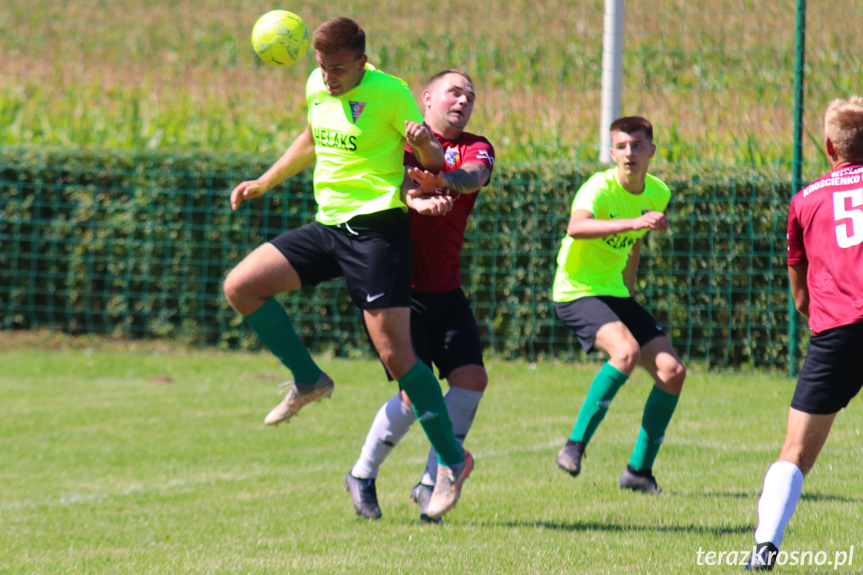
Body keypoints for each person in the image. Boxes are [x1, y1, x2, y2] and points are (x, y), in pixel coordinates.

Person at [223, 17, 471, 520]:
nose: (328, 77)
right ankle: (308, 379)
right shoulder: (318, 83)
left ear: (362, 61)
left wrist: (423, 141)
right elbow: (313, 139)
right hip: (328, 228)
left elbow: (436, 158)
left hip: (378, 233)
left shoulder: (391, 93)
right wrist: (264, 181)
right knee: (241, 287)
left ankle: (453, 460)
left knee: (397, 356)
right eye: (322, 67)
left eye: (338, 69)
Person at [343, 69, 495, 523]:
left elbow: (473, 176)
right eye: (454, 92)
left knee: (471, 381)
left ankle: (434, 481)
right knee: (414, 396)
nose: (463, 101)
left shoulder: (476, 145)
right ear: (426, 98)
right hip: (398, 291)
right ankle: (362, 474)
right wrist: (417, 194)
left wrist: (444, 182)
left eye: (470, 95)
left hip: (446, 287)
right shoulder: (398, 143)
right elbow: (398, 185)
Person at [744, 97, 863, 571]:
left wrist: (821, 313)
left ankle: (764, 550)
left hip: (835, 333)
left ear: (830, 146)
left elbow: (799, 286)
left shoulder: (805, 199)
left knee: (794, 452)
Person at [552, 116, 686, 493]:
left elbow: (637, 241)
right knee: (624, 353)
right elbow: (576, 227)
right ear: (612, 152)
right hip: (576, 290)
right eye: (622, 146)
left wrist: (628, 291)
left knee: (672, 372)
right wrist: (632, 222)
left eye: (638, 145)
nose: (630, 153)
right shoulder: (599, 188)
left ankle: (638, 472)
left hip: (614, 292)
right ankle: (574, 446)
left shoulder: (658, 193)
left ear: (652, 151)